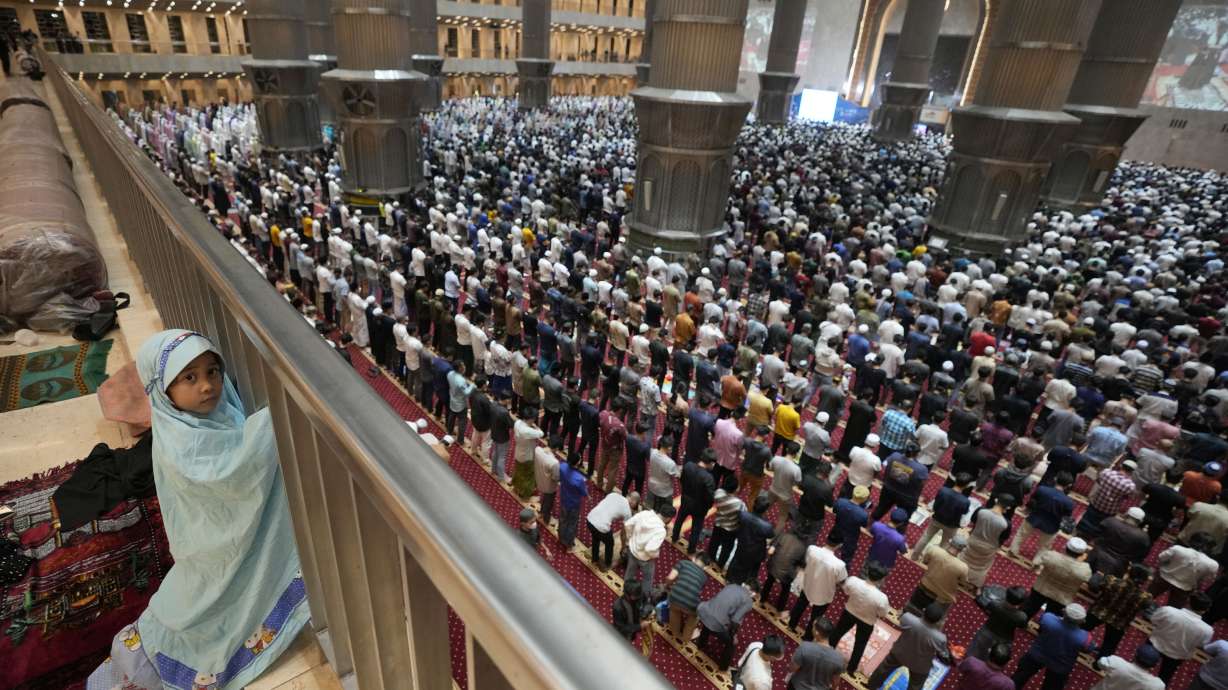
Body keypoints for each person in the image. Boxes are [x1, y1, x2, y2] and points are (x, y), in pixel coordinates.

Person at [88, 331, 308, 690]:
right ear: (162, 389)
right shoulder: (180, 440)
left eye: (213, 372)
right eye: (189, 377)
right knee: (205, 600)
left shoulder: (219, 415)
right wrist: (275, 418)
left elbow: (238, 468)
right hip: (208, 546)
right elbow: (233, 473)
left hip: (223, 533)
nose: (207, 386)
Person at [867, 604, 950, 690]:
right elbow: (944, 654)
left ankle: (871, 685)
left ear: (924, 611)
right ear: (938, 621)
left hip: (899, 654)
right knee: (916, 685)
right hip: (920, 665)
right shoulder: (940, 638)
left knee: (883, 669)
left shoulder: (908, 618)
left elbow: (900, 619)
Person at [1011, 604, 1094, 690]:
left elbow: (1042, 625)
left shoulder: (1048, 618)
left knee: (1019, 677)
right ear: (1082, 621)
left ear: (1063, 611)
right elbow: (1088, 649)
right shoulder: (1085, 637)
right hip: (1060, 665)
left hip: (1037, 654)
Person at [830, 562, 891, 675]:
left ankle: (828, 651)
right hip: (867, 621)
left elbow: (846, 591)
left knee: (837, 632)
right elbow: (882, 614)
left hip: (849, 611)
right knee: (860, 644)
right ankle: (851, 669)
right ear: (881, 580)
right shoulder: (882, 598)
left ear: (867, 572)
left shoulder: (853, 581)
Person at [1084, 563, 1153, 659]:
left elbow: (1094, 585)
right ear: (1144, 581)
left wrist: (1098, 575)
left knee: (1081, 629)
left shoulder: (1112, 581)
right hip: (1120, 623)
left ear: (1129, 573)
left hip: (1098, 611)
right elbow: (1147, 607)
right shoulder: (1144, 597)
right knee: (1109, 645)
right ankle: (1099, 664)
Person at [789, 531, 848, 640]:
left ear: (826, 538)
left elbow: (807, 562)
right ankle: (808, 636)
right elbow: (841, 581)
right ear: (840, 545)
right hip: (823, 595)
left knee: (799, 606)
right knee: (815, 617)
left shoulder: (812, 549)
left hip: (808, 585)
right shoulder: (839, 565)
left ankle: (791, 624)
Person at [1148, 592, 1214, 684]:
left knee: (1141, 667)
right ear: (1205, 610)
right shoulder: (1207, 630)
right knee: (1163, 679)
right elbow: (1200, 644)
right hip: (1177, 656)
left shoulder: (1168, 611)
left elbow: (1153, 620)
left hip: (1154, 644)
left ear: (1188, 601)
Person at [1010, 472, 1074, 564]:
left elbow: (1032, 502)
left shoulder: (1042, 489)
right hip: (1052, 525)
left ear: (1055, 479)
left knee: (1021, 535)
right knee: (1044, 546)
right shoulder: (1069, 502)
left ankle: (1013, 550)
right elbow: (1066, 516)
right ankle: (1037, 562)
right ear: (1069, 485)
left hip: (1034, 517)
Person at [696, 581, 758, 669]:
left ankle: (700, 644)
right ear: (753, 593)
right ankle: (723, 667)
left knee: (711, 618)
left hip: (704, 612)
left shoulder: (732, 585)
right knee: (731, 643)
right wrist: (733, 636)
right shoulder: (748, 601)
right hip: (717, 623)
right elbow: (735, 620)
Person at [1024, 537, 1091, 619]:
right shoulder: (1084, 569)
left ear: (1065, 547)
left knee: (1029, 608)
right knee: (1051, 618)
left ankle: (1022, 621)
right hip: (1062, 598)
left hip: (1041, 588)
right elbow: (1087, 579)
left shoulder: (1051, 556)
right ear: (1081, 554)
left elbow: (1036, 563)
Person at [912, 473, 973, 559]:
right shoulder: (965, 501)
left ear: (955, 480)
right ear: (967, 486)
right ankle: (933, 561)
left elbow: (935, 505)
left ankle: (914, 556)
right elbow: (963, 515)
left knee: (926, 537)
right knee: (945, 544)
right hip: (951, 526)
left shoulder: (943, 490)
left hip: (937, 519)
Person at [908, 534, 969, 615]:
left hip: (924, 587)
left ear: (950, 542)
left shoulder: (934, 550)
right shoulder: (963, 567)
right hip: (941, 598)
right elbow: (963, 584)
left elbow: (925, 562)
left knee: (911, 608)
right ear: (961, 550)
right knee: (933, 620)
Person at [962, 495, 1014, 588]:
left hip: (973, 541)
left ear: (996, 500)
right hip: (989, 548)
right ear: (1008, 508)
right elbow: (1003, 538)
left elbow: (973, 521)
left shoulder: (981, 511)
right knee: (981, 568)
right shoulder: (1006, 524)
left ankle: (959, 574)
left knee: (965, 558)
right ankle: (974, 583)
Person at [968, 586, 1029, 661]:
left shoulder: (995, 604)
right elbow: (1023, 626)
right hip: (1005, 638)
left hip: (987, 630)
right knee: (996, 658)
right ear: (1021, 603)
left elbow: (981, 601)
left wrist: (978, 593)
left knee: (976, 650)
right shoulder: (1022, 617)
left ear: (1006, 595)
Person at [673, 450, 716, 552]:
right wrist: (708, 507)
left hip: (685, 500)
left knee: (679, 520)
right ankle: (691, 549)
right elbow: (710, 498)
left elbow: (682, 480)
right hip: (699, 507)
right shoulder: (709, 478)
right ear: (710, 463)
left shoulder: (688, 466)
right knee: (696, 529)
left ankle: (674, 537)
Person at [787, 618, 845, 690]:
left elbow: (792, 668)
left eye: (813, 627)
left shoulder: (805, 647)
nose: (812, 629)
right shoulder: (839, 659)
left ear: (817, 632)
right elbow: (835, 682)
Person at [587, 490, 637, 570]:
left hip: (590, 518)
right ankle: (607, 564)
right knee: (610, 542)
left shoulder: (614, 494)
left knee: (596, 537)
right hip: (601, 526)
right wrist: (623, 547)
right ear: (633, 503)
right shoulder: (628, 511)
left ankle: (595, 559)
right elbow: (623, 533)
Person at [664, 553, 708, 639]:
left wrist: (667, 587)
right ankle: (687, 636)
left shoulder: (683, 563)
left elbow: (670, 578)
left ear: (694, 558)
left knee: (674, 610)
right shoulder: (704, 577)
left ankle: (675, 631)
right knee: (695, 615)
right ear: (705, 567)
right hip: (691, 604)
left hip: (675, 597)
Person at [624, 504, 668, 588]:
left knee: (630, 572)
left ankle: (626, 590)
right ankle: (644, 598)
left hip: (633, 551)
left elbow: (627, 524)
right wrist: (656, 554)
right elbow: (649, 549)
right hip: (645, 559)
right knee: (647, 579)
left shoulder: (645, 513)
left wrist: (629, 537)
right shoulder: (661, 531)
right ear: (669, 518)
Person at [1090, 643, 1164, 690]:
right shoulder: (1156, 685)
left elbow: (1100, 663)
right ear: (1154, 666)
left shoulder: (1116, 662)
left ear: (1135, 656)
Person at [556, 456, 588, 548]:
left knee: (563, 520)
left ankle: (561, 537)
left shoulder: (562, 466)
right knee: (572, 523)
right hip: (574, 503)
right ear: (577, 464)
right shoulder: (579, 479)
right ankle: (568, 542)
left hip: (564, 498)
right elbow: (583, 492)